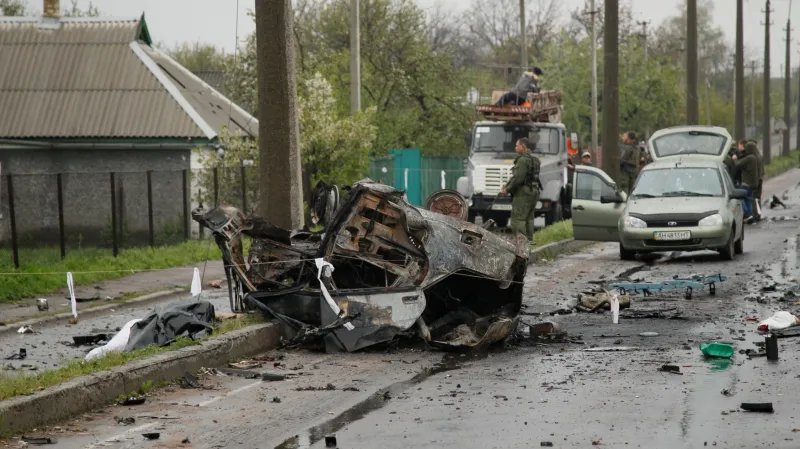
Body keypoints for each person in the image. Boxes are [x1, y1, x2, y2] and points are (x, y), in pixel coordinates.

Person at [501, 137, 541, 240]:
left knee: (518, 220)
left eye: (517, 146)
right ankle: (529, 244)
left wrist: (507, 189)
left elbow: (518, 178)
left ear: (523, 147)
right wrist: (507, 185)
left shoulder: (522, 160)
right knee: (529, 219)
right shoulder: (535, 160)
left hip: (523, 193)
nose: (515, 148)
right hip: (534, 191)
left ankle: (521, 245)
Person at [732, 141, 759, 223]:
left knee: (740, 198)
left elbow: (738, 164)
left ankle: (747, 214)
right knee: (748, 200)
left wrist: (735, 159)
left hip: (746, 183)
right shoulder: (754, 157)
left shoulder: (749, 158)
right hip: (751, 183)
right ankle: (750, 217)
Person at [750, 139, 764, 222]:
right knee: (757, 198)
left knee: (754, 198)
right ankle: (758, 213)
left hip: (755, 180)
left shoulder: (753, 157)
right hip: (760, 179)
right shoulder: (759, 155)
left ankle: (755, 214)